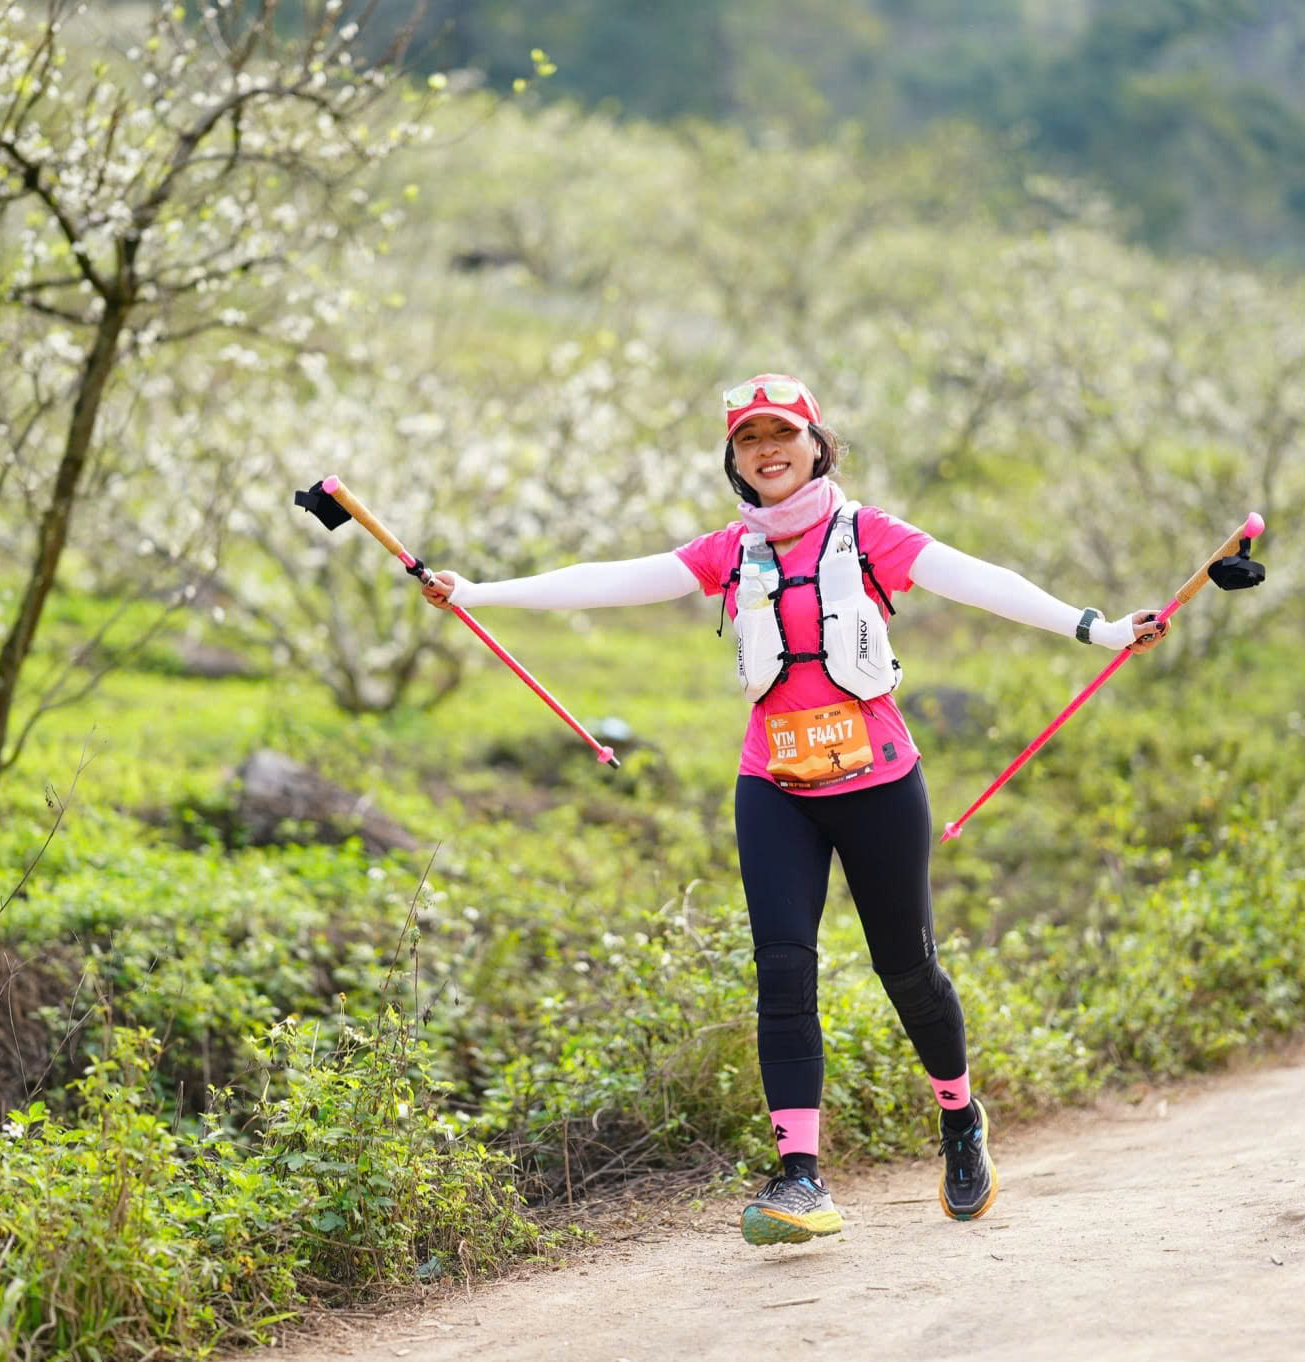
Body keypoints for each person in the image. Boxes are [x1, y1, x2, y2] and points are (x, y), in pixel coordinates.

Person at [419, 374, 1168, 1245]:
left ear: (817, 443)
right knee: (783, 970)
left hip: (880, 783)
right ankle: (800, 1178)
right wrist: (480, 592)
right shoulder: (728, 552)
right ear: (735, 460)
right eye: (748, 439)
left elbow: (980, 580)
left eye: (782, 433)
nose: (767, 450)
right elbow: (608, 580)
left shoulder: (870, 536)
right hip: (772, 787)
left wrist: (1098, 629)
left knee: (907, 970)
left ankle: (960, 1118)